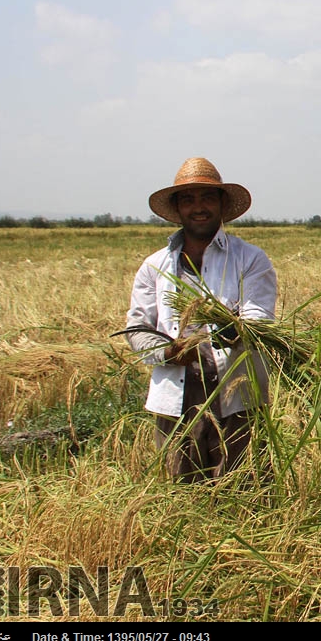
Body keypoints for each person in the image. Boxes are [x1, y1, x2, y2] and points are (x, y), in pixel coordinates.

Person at [124, 157, 277, 483]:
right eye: (188, 199)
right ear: (177, 208)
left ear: (222, 204)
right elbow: (137, 327)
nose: (199, 207)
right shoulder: (154, 266)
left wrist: (229, 332)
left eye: (207, 197)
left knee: (244, 491)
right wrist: (170, 353)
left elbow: (257, 319)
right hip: (175, 403)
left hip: (238, 400)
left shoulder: (250, 259)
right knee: (184, 498)